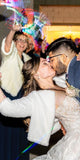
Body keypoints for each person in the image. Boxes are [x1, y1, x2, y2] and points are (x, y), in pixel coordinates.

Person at [0, 56, 80, 160]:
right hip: (76, 147)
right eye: (44, 63)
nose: (49, 64)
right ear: (36, 73)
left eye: (48, 62)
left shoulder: (61, 82)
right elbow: (7, 108)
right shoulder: (39, 97)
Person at [0, 23, 31, 160]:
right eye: (19, 40)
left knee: (20, 134)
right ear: (14, 42)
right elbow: (7, 44)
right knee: (5, 133)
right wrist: (13, 31)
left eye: (25, 41)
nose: (22, 43)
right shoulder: (9, 54)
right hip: (6, 96)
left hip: (21, 99)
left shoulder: (28, 59)